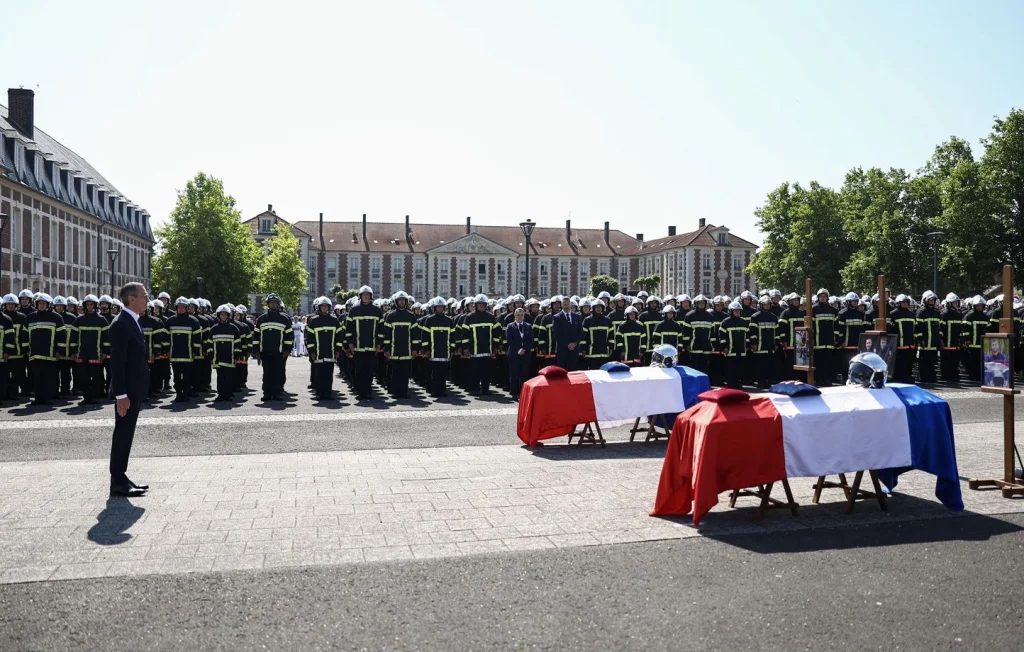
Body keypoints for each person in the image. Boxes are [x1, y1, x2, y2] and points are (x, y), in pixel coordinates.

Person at [108, 282, 151, 497]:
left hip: (134, 389)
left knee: (127, 434)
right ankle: (117, 480)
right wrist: (121, 394)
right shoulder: (121, 323)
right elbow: (117, 363)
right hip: (127, 392)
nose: (147, 299)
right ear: (131, 299)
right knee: (122, 434)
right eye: (144, 296)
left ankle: (121, 476)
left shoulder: (132, 320)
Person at [346, 286, 384, 401]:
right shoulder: (354, 310)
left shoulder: (377, 311)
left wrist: (379, 343)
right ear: (360, 296)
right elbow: (348, 329)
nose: (366, 296)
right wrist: (350, 343)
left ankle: (368, 392)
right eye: (364, 295)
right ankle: (360, 393)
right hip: (358, 347)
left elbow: (381, 330)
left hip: (372, 347)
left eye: (368, 295)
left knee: (370, 371)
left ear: (371, 296)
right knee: (359, 371)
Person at [25, 293, 64, 406]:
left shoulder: (56, 317)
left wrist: (59, 351)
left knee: (49, 378)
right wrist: (26, 349)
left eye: (44, 303)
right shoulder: (30, 317)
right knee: (37, 378)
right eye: (40, 303)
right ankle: (38, 399)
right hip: (35, 354)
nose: (41, 305)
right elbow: (24, 334)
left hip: (50, 354)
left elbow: (62, 336)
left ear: (48, 304)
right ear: (36, 304)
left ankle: (47, 399)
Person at [254, 293, 294, 402]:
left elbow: (289, 336)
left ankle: (277, 393)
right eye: (271, 303)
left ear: (278, 304)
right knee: (266, 374)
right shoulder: (261, 319)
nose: (273, 305)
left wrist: (287, 350)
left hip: (279, 352)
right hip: (265, 352)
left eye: (275, 303)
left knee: (277, 373)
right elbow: (256, 335)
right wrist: (256, 350)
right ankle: (266, 394)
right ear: (268, 304)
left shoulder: (284, 319)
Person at [306, 296, 342, 400]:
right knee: (319, 374)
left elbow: (339, 337)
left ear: (329, 307)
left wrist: (337, 350)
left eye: (326, 306)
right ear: (319, 307)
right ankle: (320, 393)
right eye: (323, 306)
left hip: (331, 352)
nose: (324, 308)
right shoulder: (313, 321)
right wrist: (311, 351)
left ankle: (328, 394)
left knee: (329, 374)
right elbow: (309, 338)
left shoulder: (334, 320)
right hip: (318, 353)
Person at [506, 308, 533, 400]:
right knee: (514, 374)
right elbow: (510, 340)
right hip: (514, 353)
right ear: (515, 315)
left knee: (524, 374)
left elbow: (531, 340)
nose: (520, 317)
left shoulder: (528, 326)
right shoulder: (510, 326)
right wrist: (518, 349)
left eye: (522, 315)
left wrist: (524, 349)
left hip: (525, 353)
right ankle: (514, 393)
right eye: (518, 315)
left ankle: (523, 393)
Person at [552, 295, 583, 372]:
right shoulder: (556, 317)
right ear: (562, 305)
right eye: (565, 304)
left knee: (573, 372)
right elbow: (557, 334)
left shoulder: (577, 316)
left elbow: (580, 332)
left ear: (570, 305)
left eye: (568, 304)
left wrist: (575, 343)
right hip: (562, 350)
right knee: (562, 372)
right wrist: (567, 344)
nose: (566, 306)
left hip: (574, 350)